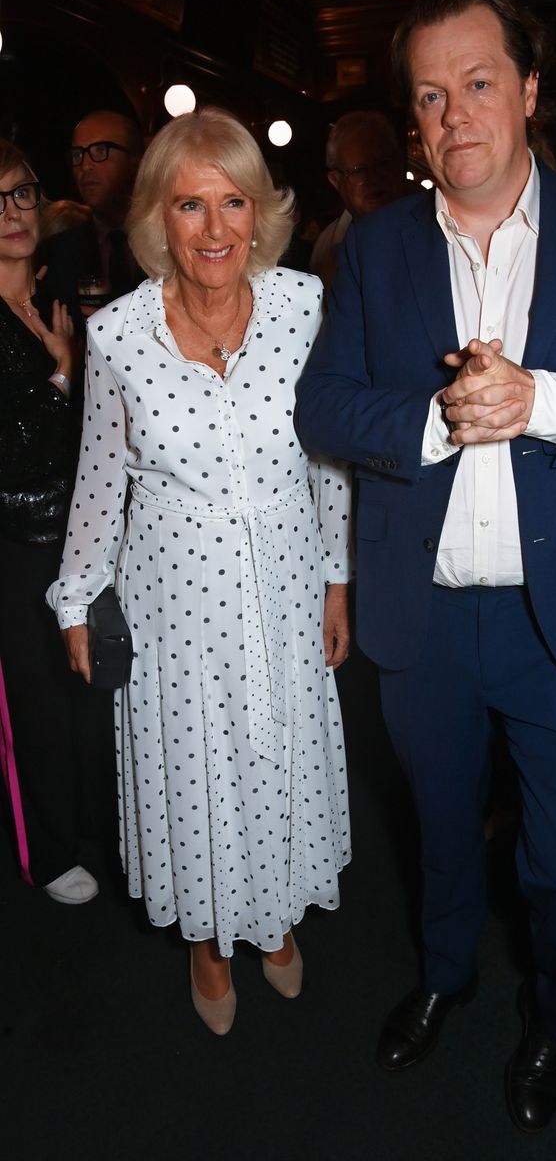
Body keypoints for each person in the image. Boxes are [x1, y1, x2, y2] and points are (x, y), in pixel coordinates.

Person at [295, 0, 556, 1132]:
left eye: (478, 83)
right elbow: (324, 409)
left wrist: (542, 403)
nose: (453, 115)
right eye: (429, 96)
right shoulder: (372, 249)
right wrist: (434, 421)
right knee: (436, 827)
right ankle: (442, 978)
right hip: (421, 619)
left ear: (528, 91)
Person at [48, 106, 352, 1036]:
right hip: (172, 603)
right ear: (157, 220)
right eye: (190, 205)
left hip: (286, 589)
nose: (215, 230)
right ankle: (209, 942)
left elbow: (327, 461)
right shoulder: (118, 335)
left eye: (233, 203)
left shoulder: (305, 306)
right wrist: (74, 597)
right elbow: (100, 482)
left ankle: (273, 922)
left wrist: (338, 579)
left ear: (261, 213)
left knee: (276, 755)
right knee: (196, 770)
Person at [0, 137, 100, 904]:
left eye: (22, 192)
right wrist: (65, 374)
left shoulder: (55, 297)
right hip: (14, 541)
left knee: (82, 690)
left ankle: (89, 824)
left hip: (75, 531)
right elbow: (15, 446)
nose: (12, 213)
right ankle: (50, 850)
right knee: (31, 700)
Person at [39, 109, 144, 315]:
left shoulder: (170, 241)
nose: (85, 165)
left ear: (137, 161)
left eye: (100, 151)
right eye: (78, 154)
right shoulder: (59, 253)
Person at [310, 110, 405, 288]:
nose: (373, 178)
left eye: (382, 164)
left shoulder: (440, 225)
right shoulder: (326, 246)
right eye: (358, 170)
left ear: (399, 163)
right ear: (336, 181)